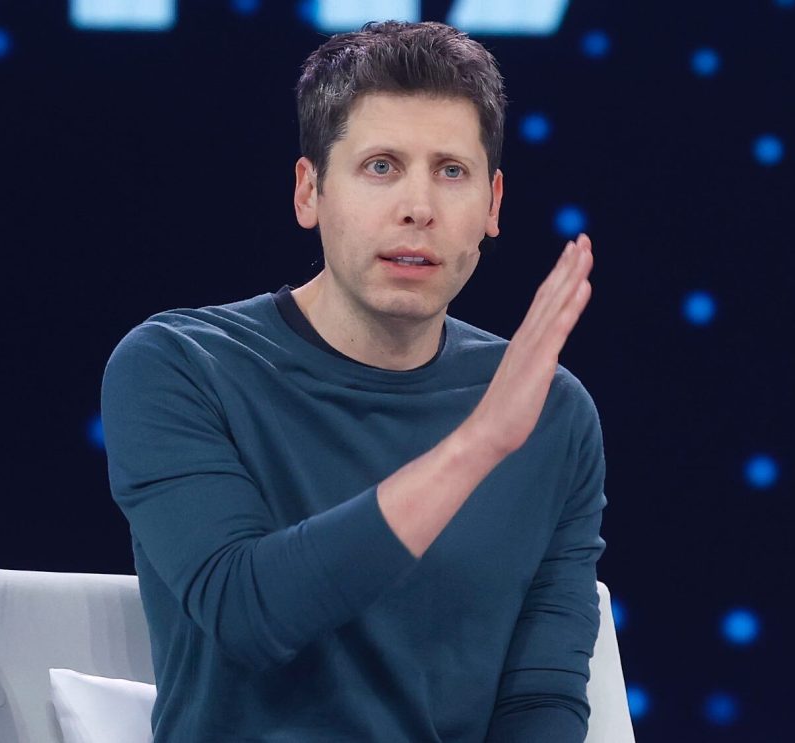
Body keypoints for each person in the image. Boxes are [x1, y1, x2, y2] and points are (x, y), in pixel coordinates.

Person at [101, 19, 602, 742]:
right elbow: (248, 613)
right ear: (310, 192)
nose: (418, 207)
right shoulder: (178, 366)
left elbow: (541, 698)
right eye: (381, 166)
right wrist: (477, 446)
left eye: (451, 171)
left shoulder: (551, 413)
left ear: (493, 205)